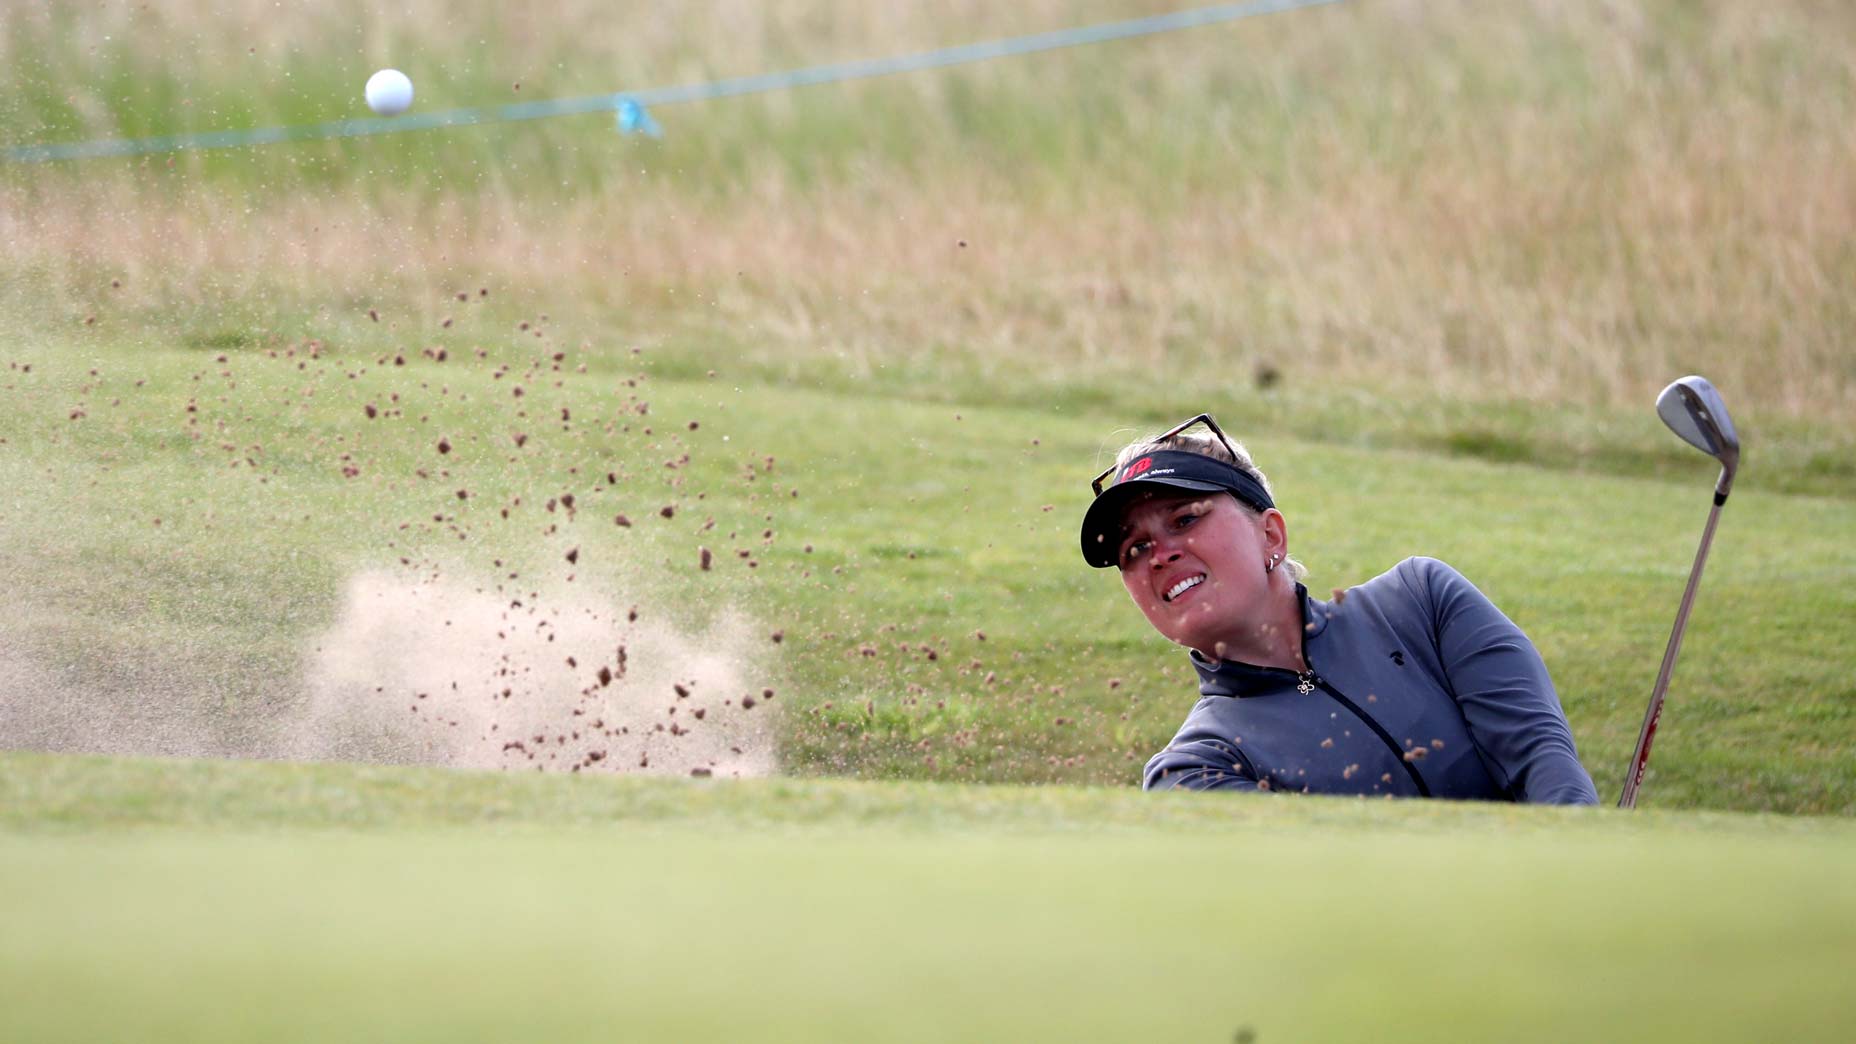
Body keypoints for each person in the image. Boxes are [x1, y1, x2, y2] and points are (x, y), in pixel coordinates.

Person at [1079, 414, 1598, 804]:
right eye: (1134, 549)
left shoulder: (1421, 602)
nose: (1160, 555)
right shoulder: (1196, 770)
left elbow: (1542, 759)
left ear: (1270, 535)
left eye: (1185, 519)